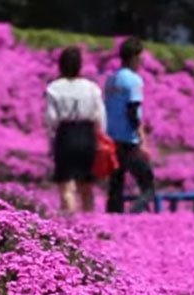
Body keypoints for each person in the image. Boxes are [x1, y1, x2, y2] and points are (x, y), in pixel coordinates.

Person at [44, 47, 107, 213]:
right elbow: (100, 116)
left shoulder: (54, 88)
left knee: (66, 186)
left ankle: (70, 224)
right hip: (87, 135)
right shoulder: (92, 87)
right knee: (86, 186)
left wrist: (52, 137)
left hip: (65, 134)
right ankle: (89, 223)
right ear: (80, 66)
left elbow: (51, 118)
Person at [104, 38, 156, 214]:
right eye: (141, 57)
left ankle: (113, 221)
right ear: (134, 57)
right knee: (148, 187)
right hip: (129, 140)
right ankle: (132, 215)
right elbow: (132, 112)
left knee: (116, 186)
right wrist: (142, 141)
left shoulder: (111, 80)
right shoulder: (134, 80)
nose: (143, 60)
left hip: (111, 139)